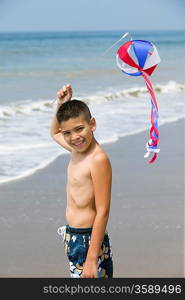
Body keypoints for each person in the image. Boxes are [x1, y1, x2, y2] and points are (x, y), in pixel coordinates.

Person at [50, 84, 113, 278]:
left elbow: (103, 211)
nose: (74, 137)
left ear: (92, 124)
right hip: (73, 236)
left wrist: (92, 259)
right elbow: (54, 133)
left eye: (79, 129)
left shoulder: (97, 159)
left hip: (89, 240)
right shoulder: (78, 150)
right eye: (67, 133)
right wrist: (60, 105)